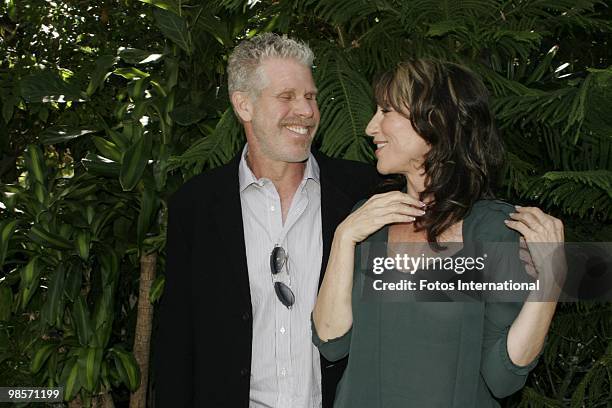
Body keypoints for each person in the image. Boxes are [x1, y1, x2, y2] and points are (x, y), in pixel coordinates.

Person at [312, 59, 564, 407]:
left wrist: (551, 280)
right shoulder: (367, 221)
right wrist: (343, 238)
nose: (371, 127)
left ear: (434, 122)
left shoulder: (496, 230)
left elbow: (502, 378)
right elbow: (330, 340)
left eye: (386, 111)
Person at [154, 33, 380, 407]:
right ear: (244, 105)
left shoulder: (364, 192)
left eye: (310, 96)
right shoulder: (195, 205)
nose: (306, 111)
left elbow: (431, 267)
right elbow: (179, 339)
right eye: (287, 97)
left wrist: (505, 252)